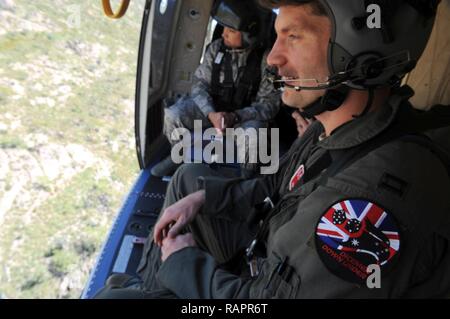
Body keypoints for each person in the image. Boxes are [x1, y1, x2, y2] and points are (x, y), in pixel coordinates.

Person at [96, 0, 450, 298]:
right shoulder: (331, 128)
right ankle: (149, 284)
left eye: (293, 37)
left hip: (262, 280)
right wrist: (205, 198)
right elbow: (276, 188)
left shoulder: (366, 203)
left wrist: (183, 264)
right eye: (277, 36)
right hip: (266, 249)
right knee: (190, 180)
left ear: (358, 53)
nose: (273, 58)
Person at [151, 0, 280, 177]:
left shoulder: (266, 61)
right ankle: (178, 154)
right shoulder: (215, 49)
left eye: (232, 31)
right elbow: (199, 86)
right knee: (173, 115)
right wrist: (211, 114)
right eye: (224, 27)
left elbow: (269, 105)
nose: (225, 33)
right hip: (213, 112)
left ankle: (246, 176)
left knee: (255, 133)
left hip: (243, 118)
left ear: (248, 35)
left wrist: (235, 116)